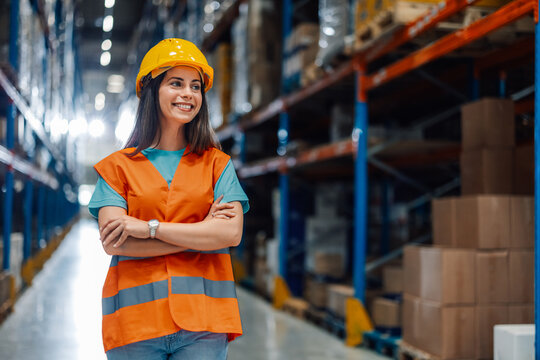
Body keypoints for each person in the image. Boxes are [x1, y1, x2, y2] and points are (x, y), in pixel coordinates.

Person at [87, 38, 249, 360]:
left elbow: (230, 234)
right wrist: (202, 234)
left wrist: (148, 228)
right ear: (152, 90)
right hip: (136, 324)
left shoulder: (217, 164)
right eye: (176, 83)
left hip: (204, 325)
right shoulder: (116, 167)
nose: (188, 94)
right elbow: (115, 243)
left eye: (195, 86)